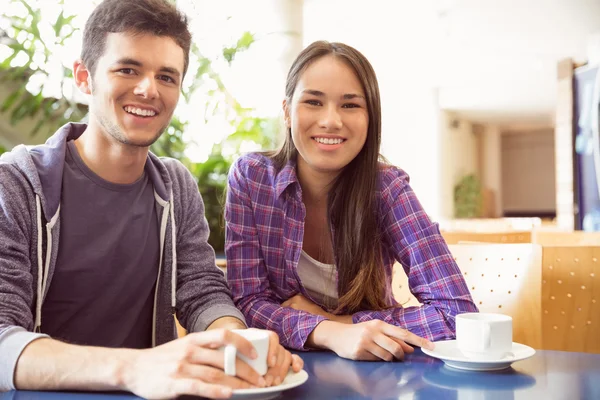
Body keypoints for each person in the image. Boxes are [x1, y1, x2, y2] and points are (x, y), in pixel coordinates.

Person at [0, 1, 302, 398]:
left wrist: (237, 342)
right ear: (84, 78)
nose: (148, 89)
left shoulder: (175, 185)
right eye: (128, 69)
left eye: (166, 76)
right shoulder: (16, 184)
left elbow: (201, 291)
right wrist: (135, 368)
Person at [225, 41, 478, 361]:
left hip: (375, 373)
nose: (331, 120)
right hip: (286, 371)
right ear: (288, 112)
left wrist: (342, 323)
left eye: (350, 105)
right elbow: (247, 302)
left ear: (371, 118)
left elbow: (456, 315)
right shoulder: (252, 178)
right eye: (314, 102)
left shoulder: (387, 189)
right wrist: (327, 332)